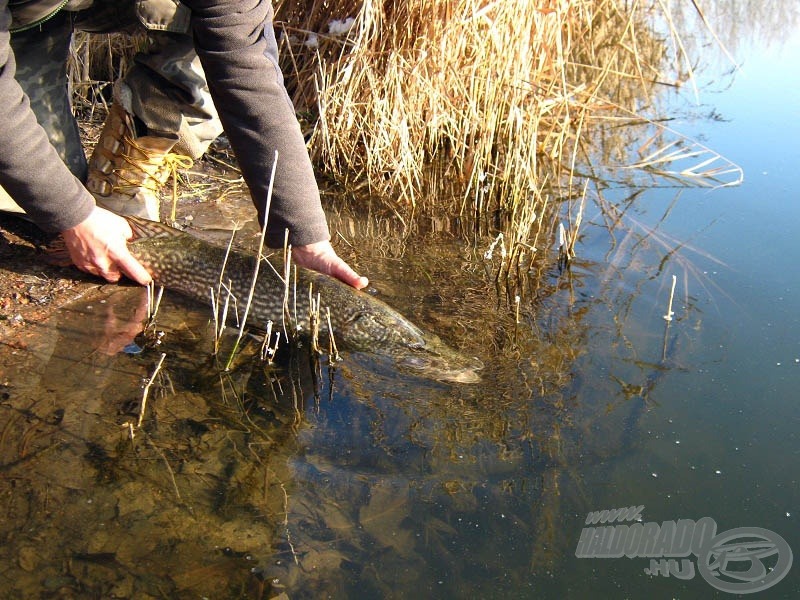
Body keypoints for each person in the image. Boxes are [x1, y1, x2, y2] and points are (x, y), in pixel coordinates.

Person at [0, 0, 368, 289]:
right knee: (33, 203)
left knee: (214, 37)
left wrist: (304, 235)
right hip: (22, 17)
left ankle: (119, 188)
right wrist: (72, 214)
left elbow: (249, 75)